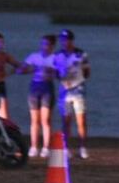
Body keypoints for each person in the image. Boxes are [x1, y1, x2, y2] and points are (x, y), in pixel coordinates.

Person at [54, 29, 91, 159]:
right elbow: (56, 73)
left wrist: (78, 80)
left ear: (71, 40)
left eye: (67, 40)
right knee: (66, 121)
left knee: (81, 120)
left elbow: (87, 72)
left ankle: (83, 148)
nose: (64, 42)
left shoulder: (81, 54)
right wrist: (62, 76)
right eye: (62, 40)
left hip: (78, 90)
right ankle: (66, 148)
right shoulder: (58, 55)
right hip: (64, 90)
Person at [19, 34, 58, 158]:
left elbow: (60, 73)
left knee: (45, 120)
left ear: (52, 46)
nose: (44, 47)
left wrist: (51, 71)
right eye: (42, 44)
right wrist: (31, 69)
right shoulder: (34, 56)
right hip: (35, 87)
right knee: (34, 120)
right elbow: (21, 70)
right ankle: (34, 146)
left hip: (47, 87)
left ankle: (46, 147)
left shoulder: (55, 58)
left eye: (46, 44)